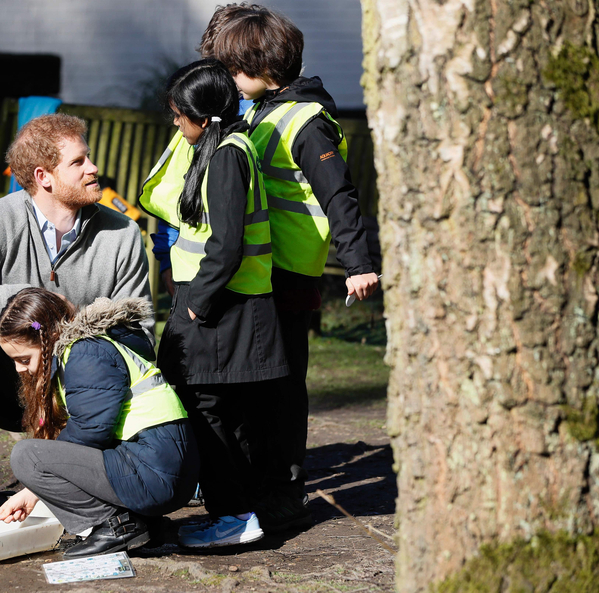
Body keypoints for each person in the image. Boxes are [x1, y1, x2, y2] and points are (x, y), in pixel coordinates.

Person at [204, 3, 380, 531]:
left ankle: (283, 489)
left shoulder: (306, 123)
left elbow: (340, 197)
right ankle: (255, 478)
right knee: (252, 382)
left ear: (268, 69)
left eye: (235, 70)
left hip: (291, 276)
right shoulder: (259, 111)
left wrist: (358, 263)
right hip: (258, 271)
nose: (230, 80)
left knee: (281, 387)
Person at [0, 114, 153, 491]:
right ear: (43, 177)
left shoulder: (122, 233)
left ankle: (98, 471)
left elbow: (140, 334)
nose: (94, 168)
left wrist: (72, 335)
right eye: (78, 162)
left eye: (89, 158)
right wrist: (26, 299)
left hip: (82, 387)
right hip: (9, 383)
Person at [139, 59, 289, 549]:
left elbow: (226, 246)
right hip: (219, 305)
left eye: (180, 117)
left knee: (209, 411)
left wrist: (192, 308)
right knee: (219, 411)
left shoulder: (226, 154)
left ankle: (234, 517)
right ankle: (236, 512)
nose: (176, 126)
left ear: (202, 117)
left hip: (221, 308)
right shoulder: (221, 146)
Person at [0, 288, 199, 558]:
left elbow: (91, 431)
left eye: (24, 359)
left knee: (27, 457)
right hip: (159, 466)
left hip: (155, 471)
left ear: (46, 338)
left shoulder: (86, 352)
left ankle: (119, 525)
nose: (19, 369)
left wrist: (34, 489)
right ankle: (143, 524)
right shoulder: (89, 348)